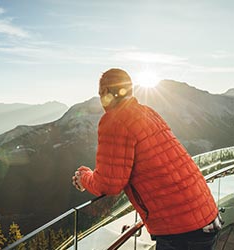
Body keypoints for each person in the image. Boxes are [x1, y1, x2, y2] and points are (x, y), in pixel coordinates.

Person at [72, 68, 222, 250]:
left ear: (104, 93)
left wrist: (84, 177)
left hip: (182, 231)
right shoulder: (148, 112)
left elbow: (109, 184)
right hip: (206, 214)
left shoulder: (114, 121)